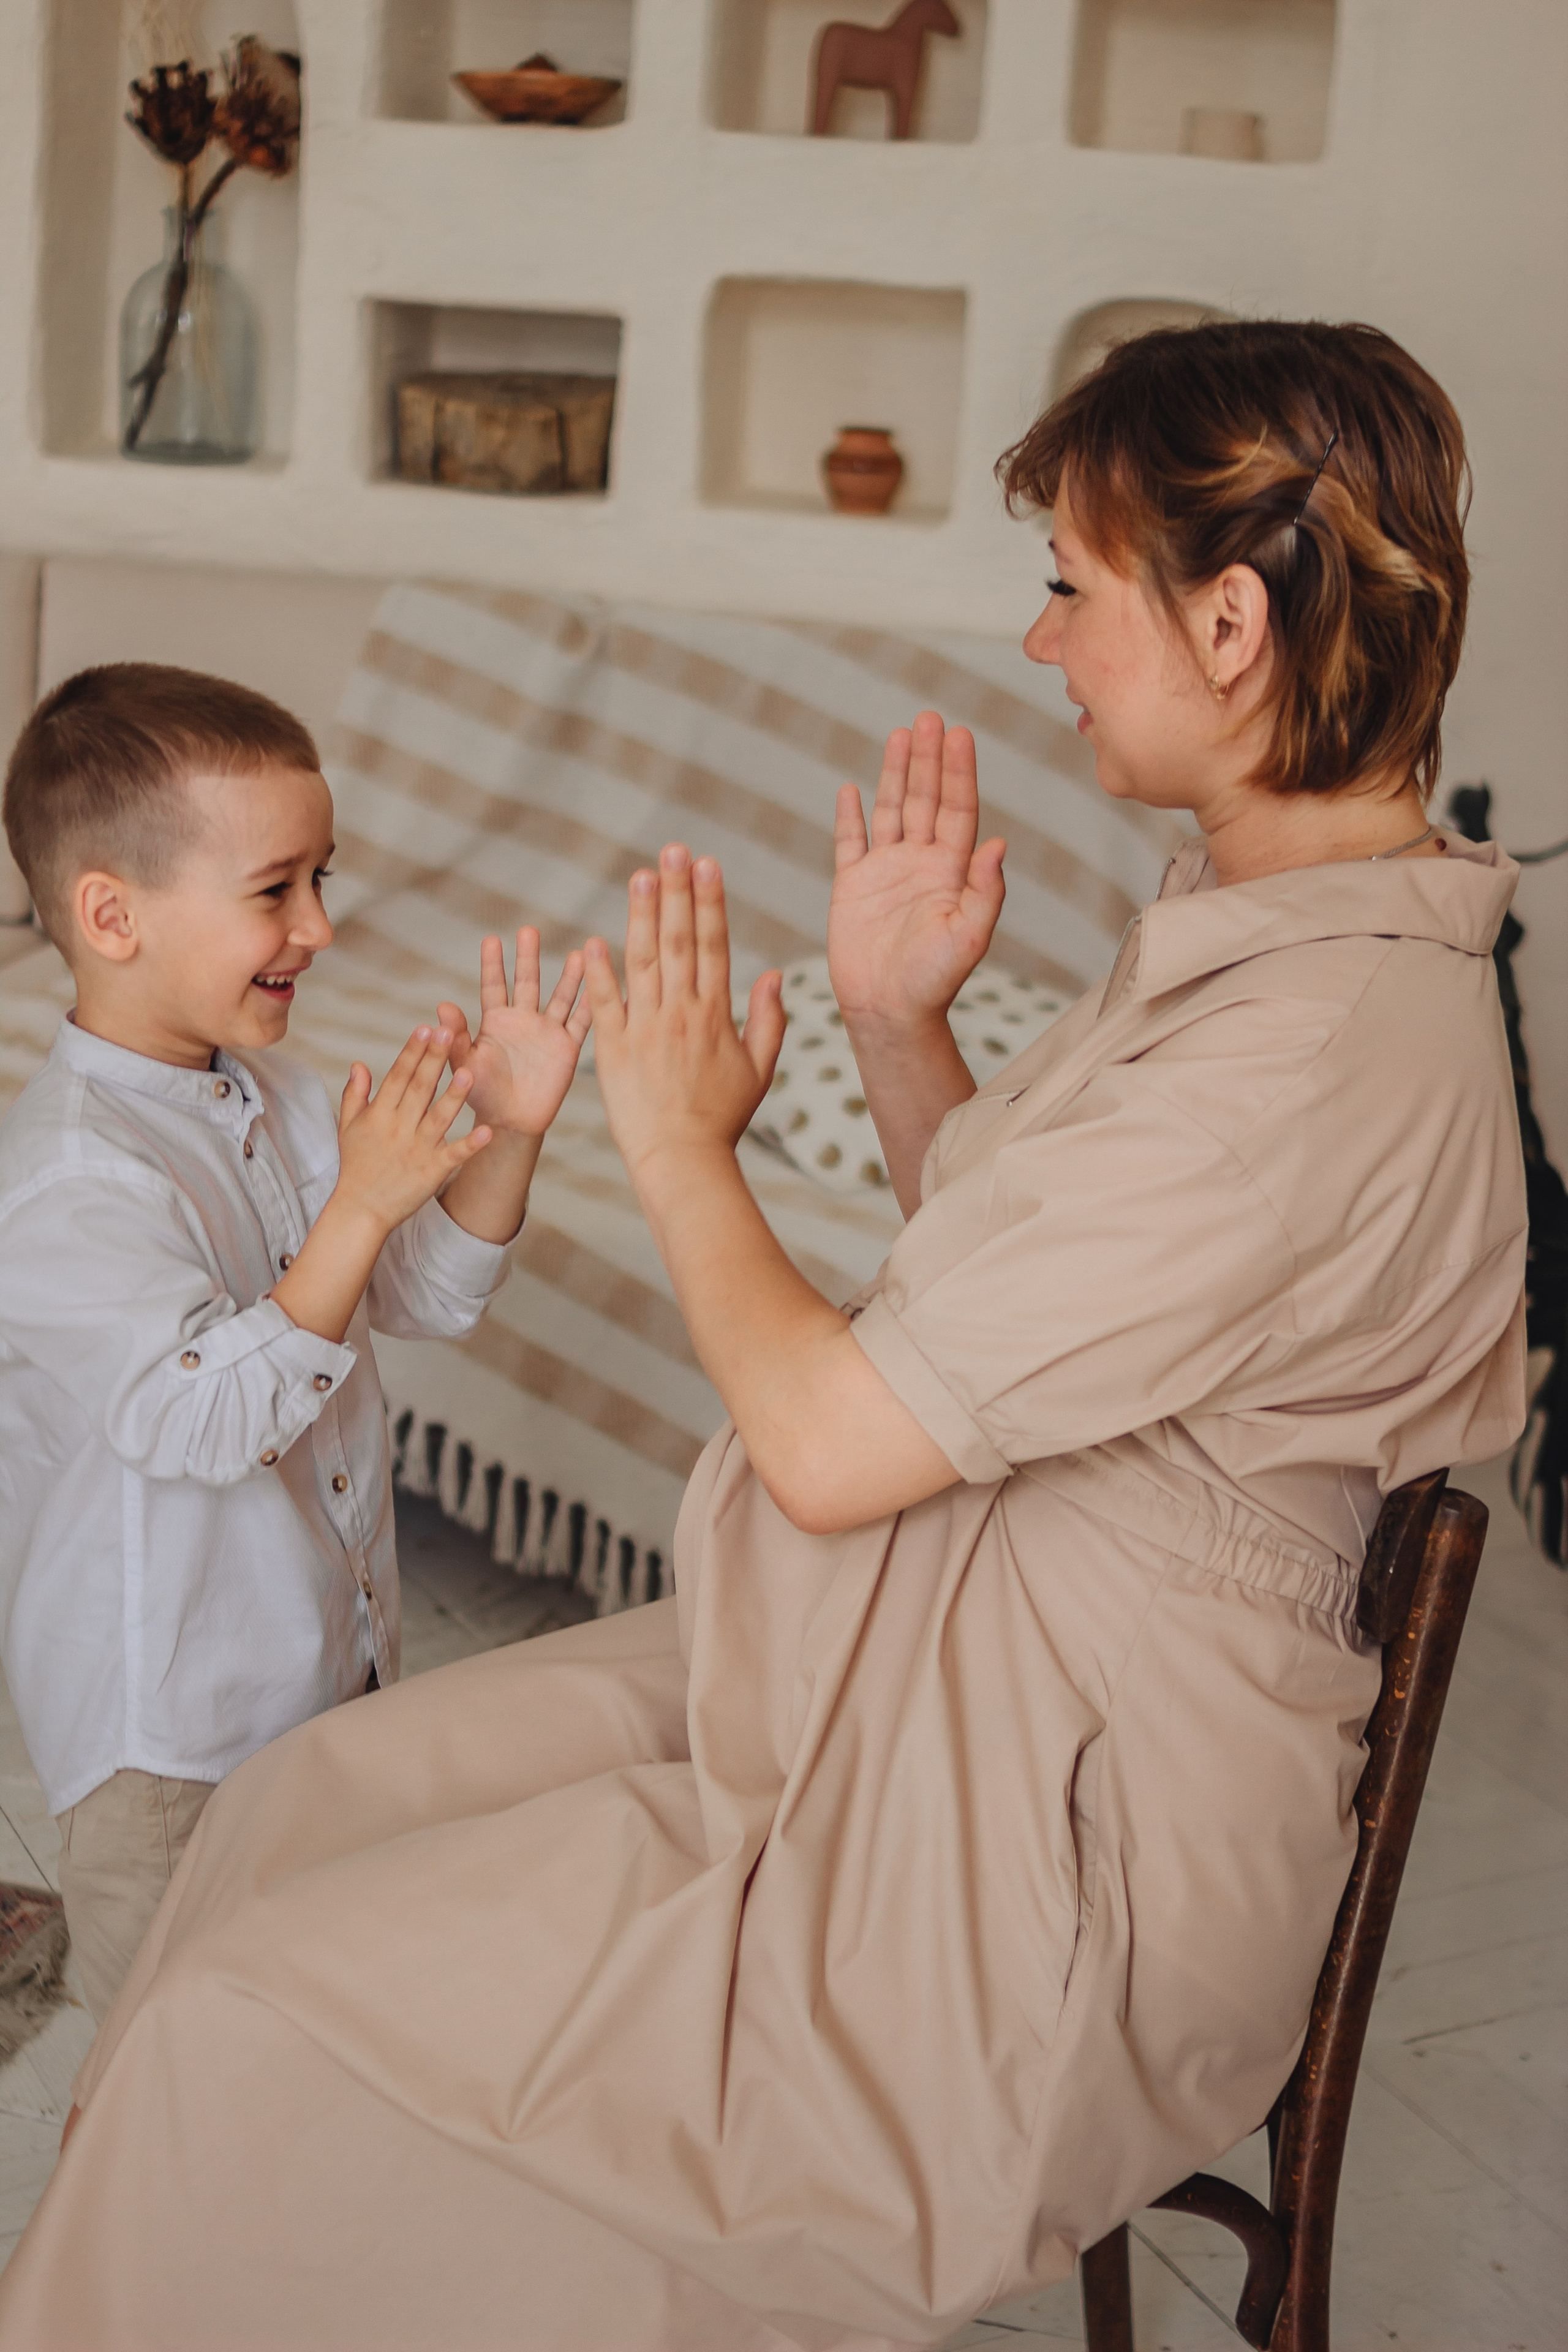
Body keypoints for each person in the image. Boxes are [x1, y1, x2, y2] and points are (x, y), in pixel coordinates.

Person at [0, 320, 1526, 2351]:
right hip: (929, 1653)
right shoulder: (1257, 956)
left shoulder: (1305, 1049)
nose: (1040, 643)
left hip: (1031, 1839)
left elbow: (826, 1438)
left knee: (236, 2023)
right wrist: (901, 1027)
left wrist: (679, 1137)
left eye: (1073, 588)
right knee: (293, 1812)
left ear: (1230, 621)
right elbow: (1026, 1299)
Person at [0, 663, 589, 2021]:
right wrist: (366, 1201)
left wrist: (505, 1135)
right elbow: (202, 1417)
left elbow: (427, 1295)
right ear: (112, 915)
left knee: (287, 2042)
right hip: (172, 1744)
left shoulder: (276, 1095)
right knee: (159, 2081)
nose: (319, 926)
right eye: (277, 888)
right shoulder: (64, 1184)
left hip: (322, 1684)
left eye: (321, 878)